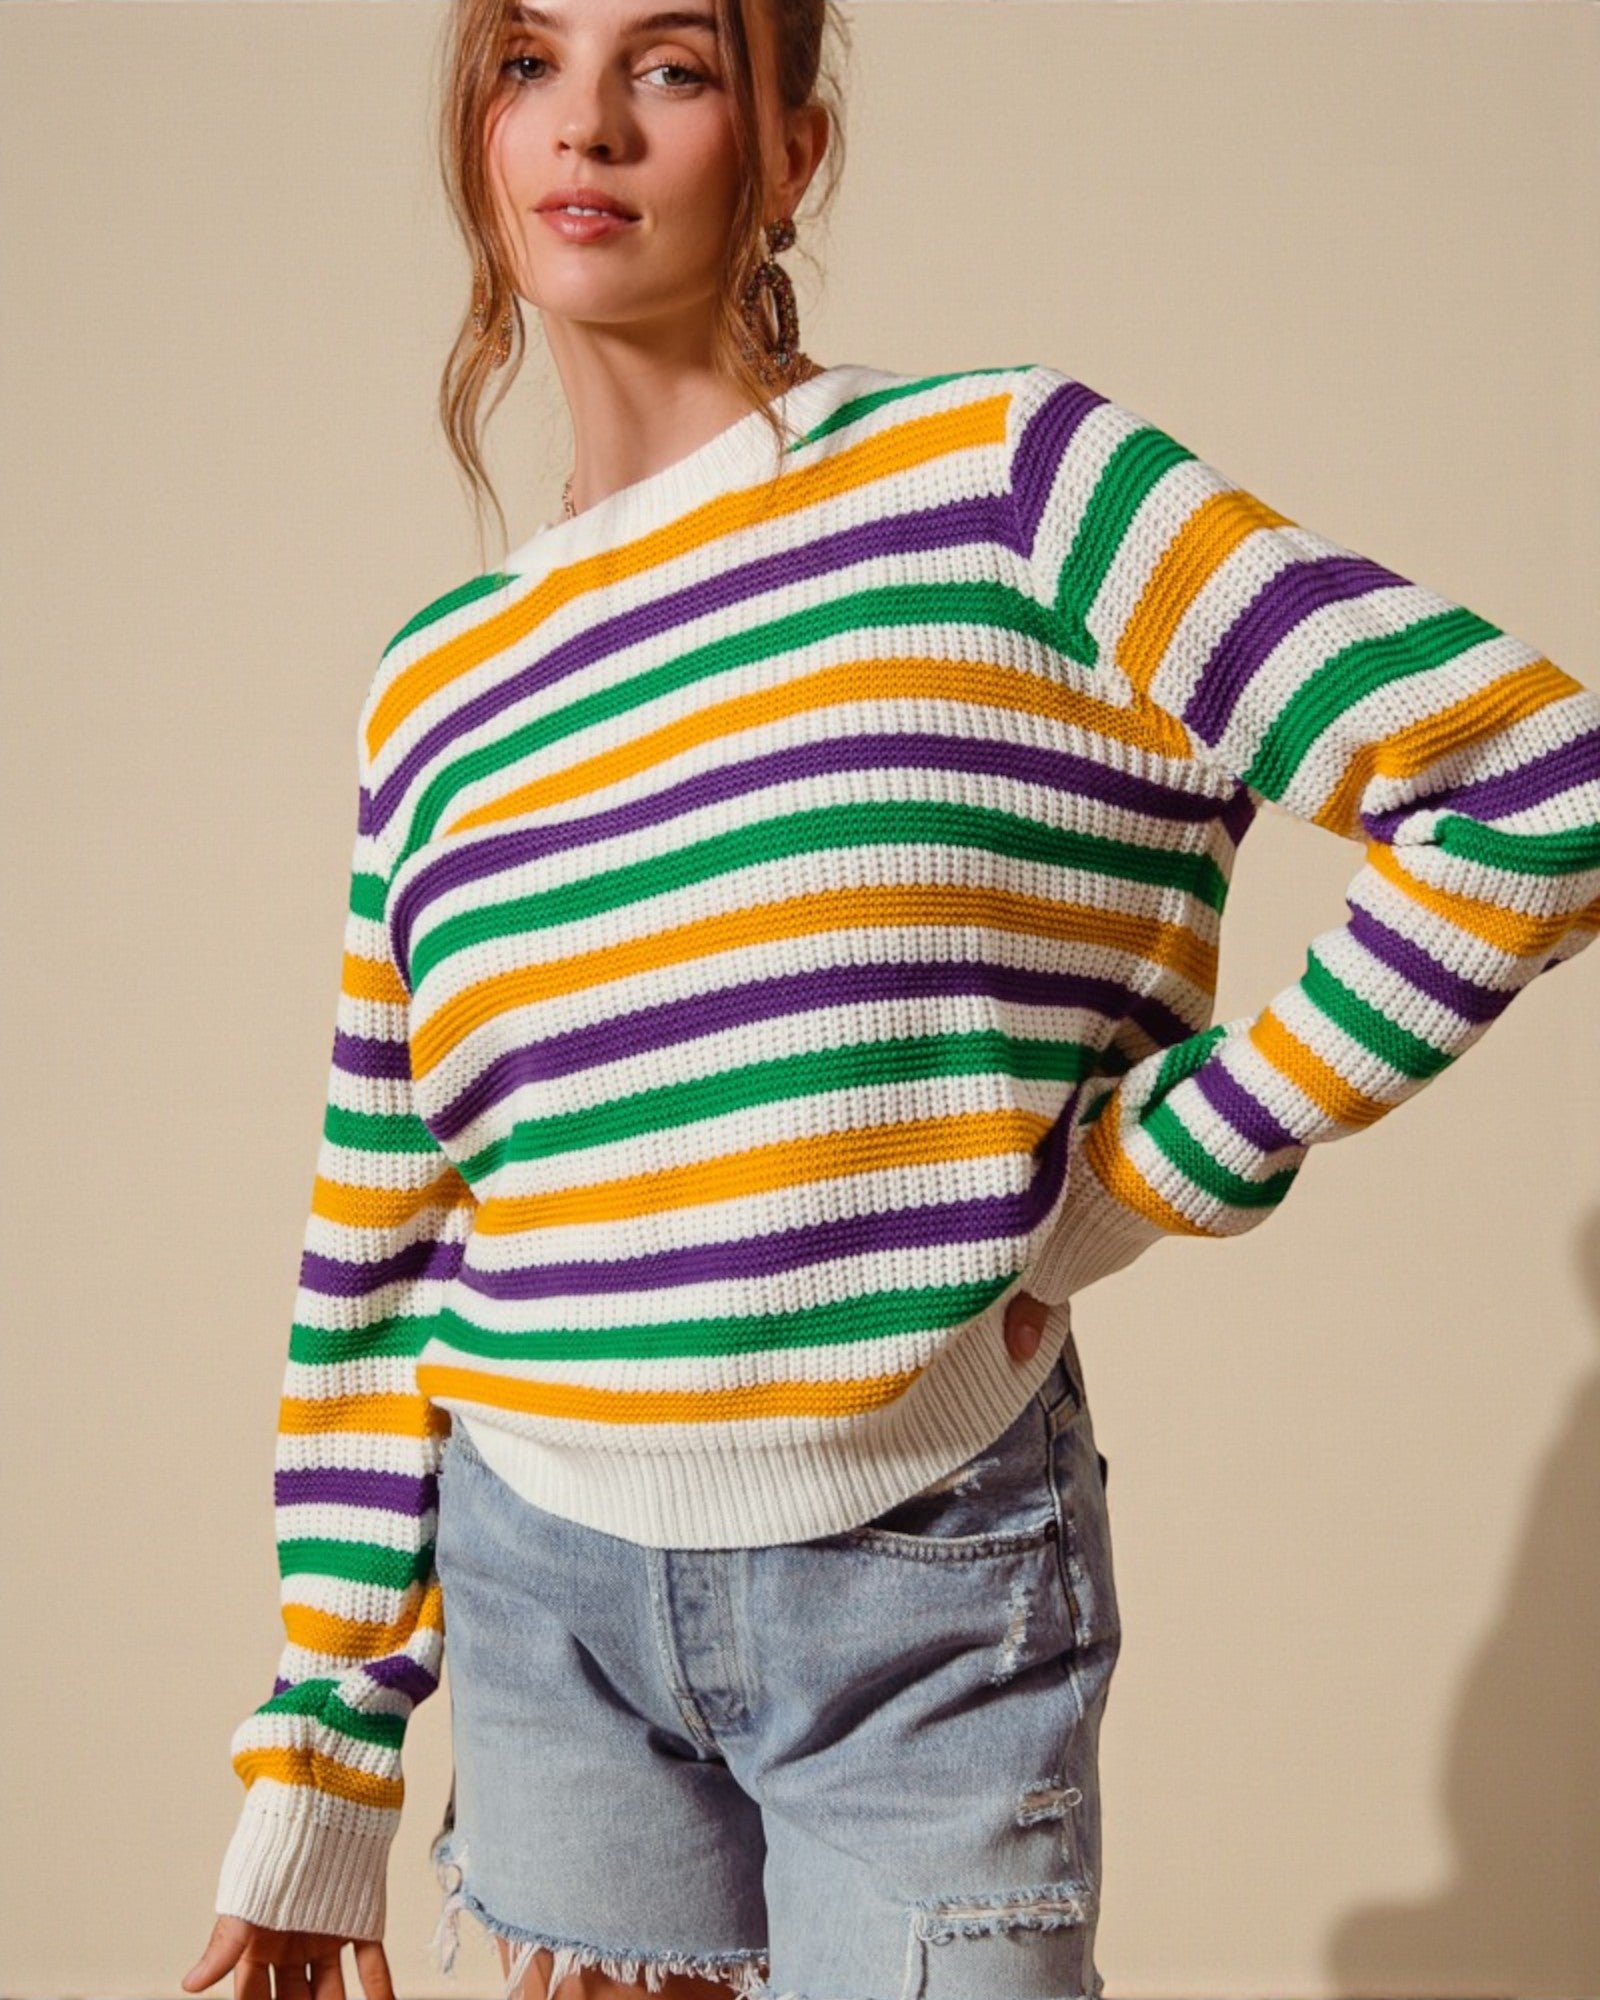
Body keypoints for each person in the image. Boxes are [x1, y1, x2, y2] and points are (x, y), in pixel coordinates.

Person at [182, 1, 1600, 1996]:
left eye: (671, 66)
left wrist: (1150, 1169)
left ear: (788, 151)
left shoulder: (1007, 480)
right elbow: (389, 1229)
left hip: (914, 1558)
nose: (585, 124)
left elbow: (1535, 790)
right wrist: (326, 1745)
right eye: (526, 61)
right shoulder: (439, 684)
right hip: (541, 1596)